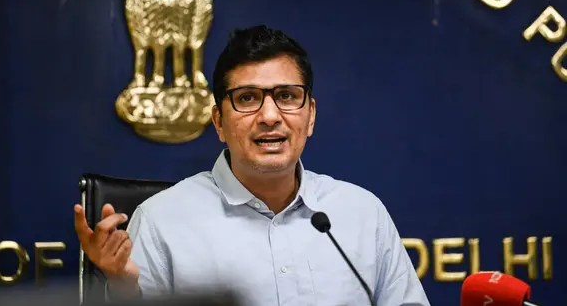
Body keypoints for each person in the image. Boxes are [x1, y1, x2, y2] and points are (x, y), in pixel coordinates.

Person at [74, 25, 431, 306]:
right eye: (247, 99)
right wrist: (123, 291)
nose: (270, 116)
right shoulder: (161, 222)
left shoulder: (361, 213)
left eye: (287, 96)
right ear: (218, 122)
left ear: (310, 116)